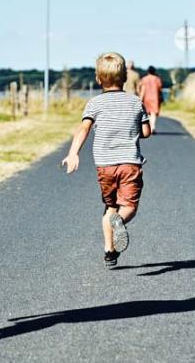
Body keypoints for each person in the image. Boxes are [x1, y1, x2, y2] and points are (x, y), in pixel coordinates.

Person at [62, 52, 151, 268]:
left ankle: (109, 251)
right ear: (125, 78)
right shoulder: (135, 102)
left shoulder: (94, 104)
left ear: (98, 79)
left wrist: (73, 152)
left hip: (105, 165)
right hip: (130, 162)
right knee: (128, 206)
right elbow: (146, 132)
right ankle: (120, 222)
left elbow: (84, 128)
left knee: (110, 207)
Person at [140, 66, 163, 133]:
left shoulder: (144, 79)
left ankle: (150, 127)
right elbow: (160, 88)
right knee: (153, 113)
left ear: (148, 71)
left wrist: (140, 98)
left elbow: (142, 89)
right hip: (155, 97)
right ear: (154, 71)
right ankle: (153, 127)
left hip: (146, 98)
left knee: (148, 113)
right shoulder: (157, 79)